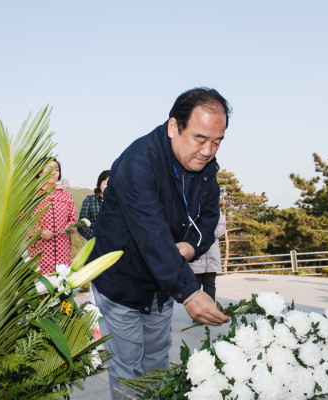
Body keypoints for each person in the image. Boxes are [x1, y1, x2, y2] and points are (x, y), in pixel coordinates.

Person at [88, 87, 231, 393]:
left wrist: (192, 246)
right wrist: (190, 294)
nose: (208, 151)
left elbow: (209, 217)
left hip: (162, 285)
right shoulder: (137, 163)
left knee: (156, 365)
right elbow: (150, 234)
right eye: (200, 139)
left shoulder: (205, 168)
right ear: (174, 127)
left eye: (217, 141)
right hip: (120, 283)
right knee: (128, 372)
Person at [28, 159, 77, 275]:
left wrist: (70, 228)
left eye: (57, 170)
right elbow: (21, 222)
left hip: (62, 253)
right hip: (39, 253)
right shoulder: (30, 195)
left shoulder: (66, 195)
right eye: (49, 168)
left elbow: (73, 220)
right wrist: (38, 232)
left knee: (60, 282)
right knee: (40, 284)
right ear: (40, 172)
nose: (53, 172)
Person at [189, 211, 226, 301]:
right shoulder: (191, 208)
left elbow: (222, 225)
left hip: (212, 258)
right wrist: (197, 235)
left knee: (210, 285)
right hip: (195, 257)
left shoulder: (214, 209)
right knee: (195, 288)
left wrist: (210, 234)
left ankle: (210, 307)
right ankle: (196, 309)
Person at [78, 170, 110, 240]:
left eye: (111, 184)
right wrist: (94, 238)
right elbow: (81, 225)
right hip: (95, 243)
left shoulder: (118, 202)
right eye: (106, 184)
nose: (108, 187)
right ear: (100, 184)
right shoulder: (89, 201)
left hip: (115, 243)